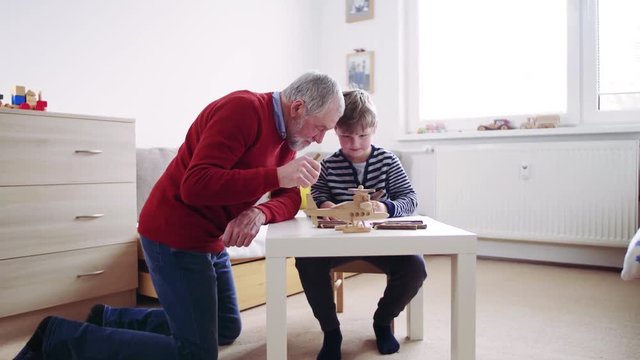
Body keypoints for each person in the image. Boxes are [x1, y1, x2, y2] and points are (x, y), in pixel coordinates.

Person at [14, 71, 345, 360]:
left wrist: (259, 212)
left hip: (209, 239)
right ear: (298, 107)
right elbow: (196, 185)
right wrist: (275, 177)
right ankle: (59, 336)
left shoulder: (288, 137)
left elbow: (288, 198)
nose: (319, 138)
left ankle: (109, 317)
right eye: (320, 128)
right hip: (174, 235)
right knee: (196, 353)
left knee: (226, 328)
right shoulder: (242, 110)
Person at [295, 89, 427, 359]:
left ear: (374, 129)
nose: (354, 143)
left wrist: (386, 207)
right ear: (336, 131)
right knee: (306, 261)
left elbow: (410, 199)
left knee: (415, 267)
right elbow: (316, 196)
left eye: (363, 135)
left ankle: (382, 320)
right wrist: (325, 206)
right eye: (346, 136)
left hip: (381, 241)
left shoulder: (388, 161)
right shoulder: (329, 165)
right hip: (337, 241)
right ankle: (331, 331)